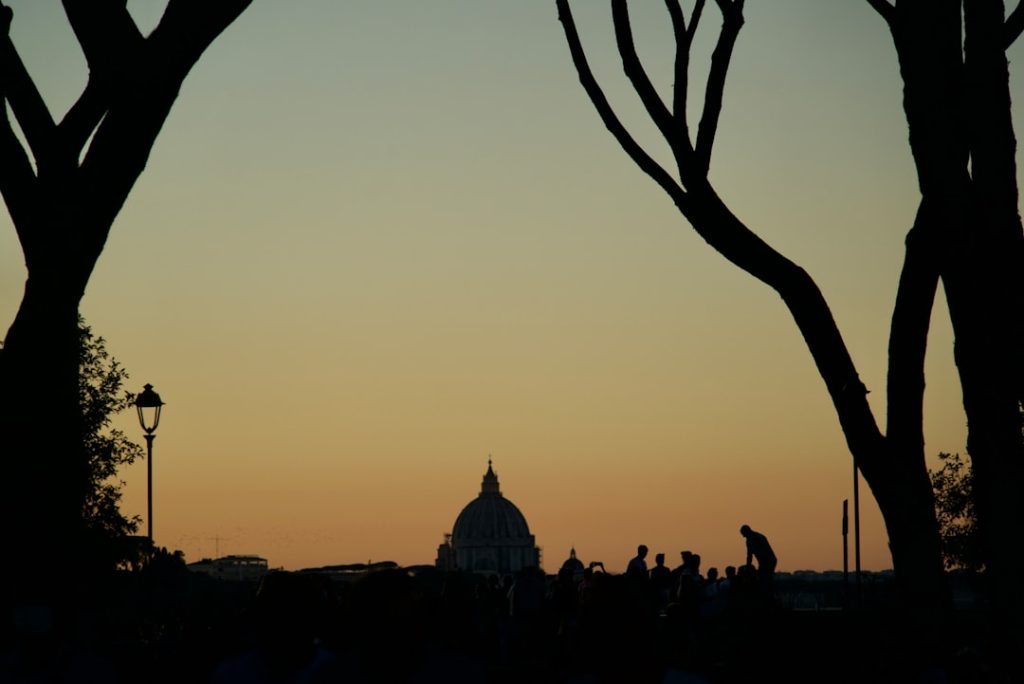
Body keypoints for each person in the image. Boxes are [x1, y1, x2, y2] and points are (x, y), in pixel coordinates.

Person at [739, 524, 777, 589]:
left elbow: (749, 555)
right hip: (770, 560)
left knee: (764, 579)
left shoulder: (752, 539)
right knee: (767, 578)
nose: (743, 536)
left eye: (743, 534)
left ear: (747, 532)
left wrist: (748, 566)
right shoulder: (759, 536)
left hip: (766, 561)